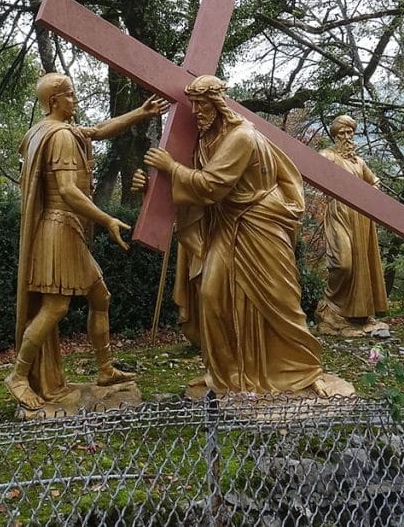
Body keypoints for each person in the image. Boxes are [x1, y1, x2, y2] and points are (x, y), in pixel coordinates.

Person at [137, 75, 350, 396]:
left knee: (277, 300)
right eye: (193, 104)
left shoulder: (242, 137)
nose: (196, 111)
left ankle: (301, 370)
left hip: (261, 225)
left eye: (202, 104)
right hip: (227, 226)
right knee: (211, 294)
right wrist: (152, 187)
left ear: (218, 105)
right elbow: (193, 197)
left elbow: (209, 185)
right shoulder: (207, 144)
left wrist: (171, 168)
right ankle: (226, 376)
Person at [5, 73, 167, 411]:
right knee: (56, 307)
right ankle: (18, 376)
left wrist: (141, 112)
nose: (75, 101)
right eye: (70, 96)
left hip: (66, 229)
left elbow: (99, 131)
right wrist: (106, 219)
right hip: (60, 228)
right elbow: (67, 191)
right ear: (54, 101)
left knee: (99, 295)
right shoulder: (60, 137)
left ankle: (106, 370)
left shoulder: (48, 131)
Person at [316, 115, 389, 337]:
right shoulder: (327, 156)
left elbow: (374, 182)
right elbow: (318, 175)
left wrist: (371, 193)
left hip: (361, 218)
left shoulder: (359, 162)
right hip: (339, 214)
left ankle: (359, 315)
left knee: (362, 264)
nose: (347, 137)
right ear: (335, 135)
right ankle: (331, 309)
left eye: (350, 132)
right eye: (342, 133)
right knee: (343, 263)